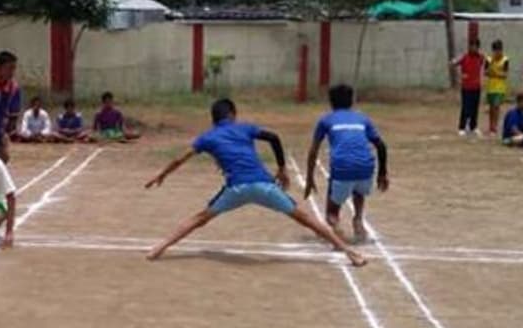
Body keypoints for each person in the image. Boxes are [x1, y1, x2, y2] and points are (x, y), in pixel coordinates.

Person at [144, 98, 366, 266]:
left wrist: (162, 175)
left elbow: (180, 158)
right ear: (232, 114)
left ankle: (159, 248)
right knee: (304, 218)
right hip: (264, 185)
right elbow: (274, 137)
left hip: (236, 188)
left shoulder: (208, 137)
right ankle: (350, 252)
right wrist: (281, 168)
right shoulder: (244, 128)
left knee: (199, 218)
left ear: (214, 119)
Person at [303, 84, 389, 242]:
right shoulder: (362, 118)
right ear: (352, 101)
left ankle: (336, 229)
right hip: (366, 167)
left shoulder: (326, 120)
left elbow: (313, 151)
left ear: (331, 102)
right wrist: (382, 173)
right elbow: (381, 145)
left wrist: (309, 178)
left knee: (331, 213)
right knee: (358, 188)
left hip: (342, 168)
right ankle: (358, 219)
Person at [449, 38, 485, 136]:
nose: (472, 48)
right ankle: (462, 127)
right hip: (466, 87)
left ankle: (473, 126)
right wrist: (459, 76)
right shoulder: (464, 57)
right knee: (465, 107)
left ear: (478, 47)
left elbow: (485, 66)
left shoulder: (481, 58)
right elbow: (453, 63)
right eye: (471, 46)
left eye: (475, 46)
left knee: (475, 108)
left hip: (476, 87)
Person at [484, 39, 510, 135]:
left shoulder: (505, 60)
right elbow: (485, 72)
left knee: (496, 106)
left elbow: (505, 75)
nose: (497, 52)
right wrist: (490, 71)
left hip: (500, 87)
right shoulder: (489, 59)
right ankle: (490, 126)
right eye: (495, 50)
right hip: (490, 87)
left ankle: (495, 127)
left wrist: (495, 74)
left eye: (499, 50)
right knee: (491, 108)